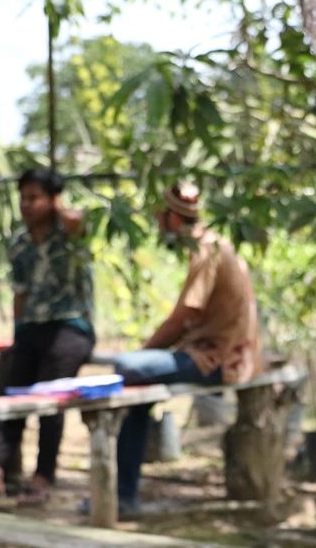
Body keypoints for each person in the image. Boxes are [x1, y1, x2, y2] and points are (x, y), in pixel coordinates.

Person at [104, 183, 261, 516]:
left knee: (127, 366)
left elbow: (183, 316)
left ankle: (122, 494)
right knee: (136, 398)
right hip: (225, 355)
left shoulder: (206, 251)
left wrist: (144, 353)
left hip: (216, 360)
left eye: (160, 217)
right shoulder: (215, 245)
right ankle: (123, 495)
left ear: (173, 218)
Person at [0, 168, 95, 505]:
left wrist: (59, 204)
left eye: (35, 197)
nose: (27, 205)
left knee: (51, 395)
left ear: (52, 200)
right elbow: (19, 293)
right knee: (12, 393)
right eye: (23, 198)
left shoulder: (71, 234)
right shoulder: (19, 244)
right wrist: (18, 333)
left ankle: (43, 475)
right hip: (33, 328)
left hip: (70, 326)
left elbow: (79, 223)